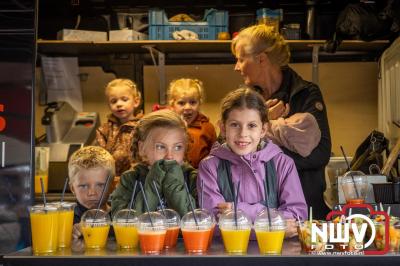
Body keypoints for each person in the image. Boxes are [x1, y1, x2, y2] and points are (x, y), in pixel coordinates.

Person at [231, 24, 332, 220]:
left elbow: (320, 155)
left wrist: (260, 148)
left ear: (261, 59)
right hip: (257, 212)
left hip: (306, 209)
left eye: (241, 59)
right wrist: (266, 123)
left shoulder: (306, 94)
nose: (236, 67)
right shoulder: (244, 99)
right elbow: (230, 148)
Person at [198, 87, 307, 237]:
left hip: (277, 256)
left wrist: (237, 210)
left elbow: (296, 219)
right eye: (235, 125)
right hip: (227, 257)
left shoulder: (283, 164)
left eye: (252, 125)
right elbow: (212, 224)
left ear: (263, 130)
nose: (243, 134)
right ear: (223, 128)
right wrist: (274, 228)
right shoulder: (209, 167)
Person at [111, 109, 197, 218]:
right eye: (160, 147)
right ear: (142, 148)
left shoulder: (193, 178)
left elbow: (198, 221)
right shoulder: (129, 179)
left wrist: (174, 184)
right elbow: (124, 222)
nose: (169, 156)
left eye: (177, 147)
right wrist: (153, 183)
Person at [95, 78, 143, 190]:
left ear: (136, 102)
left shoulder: (143, 127)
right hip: (111, 183)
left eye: (124, 99)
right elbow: (100, 159)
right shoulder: (104, 130)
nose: (119, 104)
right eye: (114, 101)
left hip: (138, 181)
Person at [68, 146, 115, 239]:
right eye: (83, 186)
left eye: (100, 185)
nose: (91, 193)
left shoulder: (119, 219)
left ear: (112, 187)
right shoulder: (66, 220)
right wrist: (68, 234)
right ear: (72, 188)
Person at [168, 78, 217, 168]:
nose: (187, 107)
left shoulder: (207, 128)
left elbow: (215, 158)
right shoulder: (166, 127)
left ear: (199, 103)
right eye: (181, 103)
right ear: (172, 105)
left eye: (193, 102)